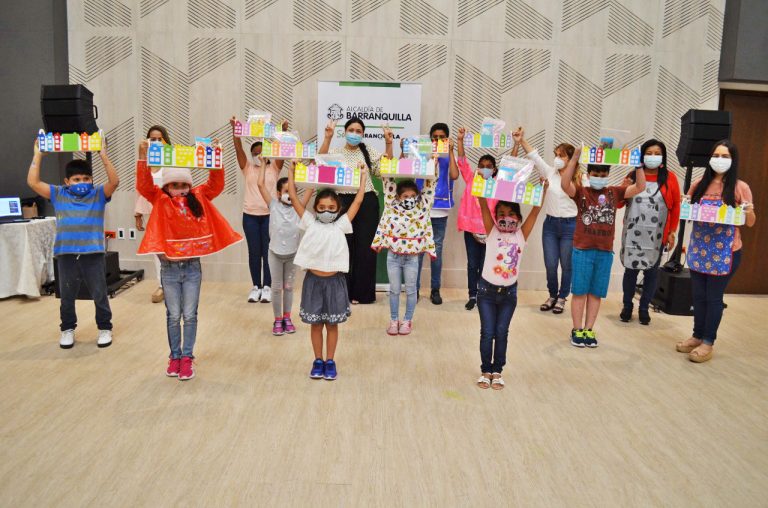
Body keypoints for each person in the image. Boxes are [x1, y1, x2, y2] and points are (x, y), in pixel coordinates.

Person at [136, 140, 242, 380]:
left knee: (190, 315)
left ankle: (187, 357)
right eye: (175, 185)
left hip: (193, 267)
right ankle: (174, 356)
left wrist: (215, 156)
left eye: (185, 184)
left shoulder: (199, 195)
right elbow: (143, 184)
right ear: (167, 186)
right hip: (169, 269)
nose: (181, 189)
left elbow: (217, 183)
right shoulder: (159, 199)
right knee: (173, 315)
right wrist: (142, 156)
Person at [27, 139, 119, 349]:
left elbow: (114, 182)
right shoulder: (59, 193)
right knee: (67, 294)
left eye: (86, 178)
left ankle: (105, 327)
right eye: (77, 179)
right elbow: (33, 183)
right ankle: (67, 329)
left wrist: (103, 155)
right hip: (66, 254)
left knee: (99, 292)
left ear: (92, 180)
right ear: (67, 181)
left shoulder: (97, 194)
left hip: (93, 253)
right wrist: (38, 155)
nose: (82, 182)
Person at [675, 140, 755, 363]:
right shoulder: (699, 184)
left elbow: (750, 222)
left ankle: (708, 341)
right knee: (698, 296)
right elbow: (688, 214)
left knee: (713, 298)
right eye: (716, 155)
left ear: (733, 160)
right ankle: (697, 335)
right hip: (700, 250)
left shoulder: (740, 187)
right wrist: (684, 205)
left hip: (726, 253)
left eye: (725, 156)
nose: (719, 160)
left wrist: (747, 211)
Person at [286, 163, 367, 380]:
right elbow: (294, 199)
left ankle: (330, 361)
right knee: (315, 325)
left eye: (331, 208)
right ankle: (317, 360)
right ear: (315, 208)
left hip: (335, 282)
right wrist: (291, 173)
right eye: (321, 207)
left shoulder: (340, 225)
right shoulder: (310, 223)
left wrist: (362, 176)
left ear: (338, 209)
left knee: (332, 325)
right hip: (313, 282)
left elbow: (358, 201)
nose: (326, 211)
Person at [561, 149, 645, 348]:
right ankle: (577, 329)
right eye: (595, 175)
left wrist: (639, 164)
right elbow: (565, 184)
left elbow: (640, 186)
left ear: (608, 175)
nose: (599, 178)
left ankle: (589, 329)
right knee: (580, 292)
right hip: (582, 249)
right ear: (589, 175)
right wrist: (574, 159)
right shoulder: (582, 191)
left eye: (603, 175)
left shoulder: (614, 192)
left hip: (605, 252)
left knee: (596, 293)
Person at [475, 187, 546, 390]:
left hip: (509, 295)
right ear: (496, 218)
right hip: (487, 293)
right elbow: (482, 205)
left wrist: (543, 190)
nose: (507, 218)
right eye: (502, 215)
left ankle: (497, 371)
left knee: (502, 332)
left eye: (512, 214)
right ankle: (485, 370)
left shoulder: (521, 236)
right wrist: (481, 185)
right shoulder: (492, 232)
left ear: (519, 217)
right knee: (487, 332)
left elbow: (536, 210)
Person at [319, 117, 393, 304]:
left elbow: (385, 168)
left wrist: (389, 143)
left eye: (358, 131)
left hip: (367, 201)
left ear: (363, 134)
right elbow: (320, 164)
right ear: (344, 132)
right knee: (343, 248)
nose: (354, 133)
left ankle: (363, 294)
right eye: (351, 130)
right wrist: (327, 138)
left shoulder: (368, 151)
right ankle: (342, 293)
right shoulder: (335, 152)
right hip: (342, 202)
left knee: (365, 250)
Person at [514, 128, 583, 315]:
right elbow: (534, 156)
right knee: (551, 264)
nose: (557, 159)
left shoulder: (580, 179)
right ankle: (552, 295)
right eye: (556, 155)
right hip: (551, 225)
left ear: (571, 159)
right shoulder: (550, 172)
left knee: (566, 265)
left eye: (561, 156)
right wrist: (521, 140)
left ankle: (562, 297)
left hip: (570, 225)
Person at [619, 139, 681, 325]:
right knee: (630, 271)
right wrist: (623, 187)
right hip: (632, 233)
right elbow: (620, 203)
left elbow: (675, 206)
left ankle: (644, 307)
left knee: (652, 273)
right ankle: (627, 305)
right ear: (642, 156)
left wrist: (672, 232)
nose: (652, 157)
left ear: (662, 157)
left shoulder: (670, 178)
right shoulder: (633, 174)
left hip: (656, 235)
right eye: (649, 153)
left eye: (657, 153)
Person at [231, 117, 287, 304]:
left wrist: (282, 132)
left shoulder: (274, 167)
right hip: (250, 217)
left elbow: (281, 149)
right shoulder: (247, 167)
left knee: (268, 252)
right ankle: (256, 286)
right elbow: (238, 149)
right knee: (254, 252)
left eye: (262, 153)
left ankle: (268, 287)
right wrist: (235, 131)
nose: (259, 156)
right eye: (255, 153)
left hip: (270, 216)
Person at [371, 176, 436, 335]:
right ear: (398, 197)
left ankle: (407, 320)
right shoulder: (391, 206)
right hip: (393, 257)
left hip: (412, 258)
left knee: (411, 290)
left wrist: (433, 167)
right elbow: (387, 185)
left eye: (413, 196)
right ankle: (394, 320)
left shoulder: (422, 207)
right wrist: (387, 165)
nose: (409, 199)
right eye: (405, 197)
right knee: (394, 290)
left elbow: (429, 188)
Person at [256, 159, 313, 336]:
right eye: (287, 191)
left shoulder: (299, 208)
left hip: (292, 255)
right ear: (279, 194)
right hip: (274, 254)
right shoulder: (273, 205)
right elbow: (260, 183)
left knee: (288, 287)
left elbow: (311, 188)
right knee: (276, 287)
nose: (290, 194)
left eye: (293, 191)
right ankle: (278, 319)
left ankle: (287, 317)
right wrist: (263, 164)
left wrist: (311, 166)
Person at [416, 122, 459, 305]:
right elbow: (412, 171)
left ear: (447, 139)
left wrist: (449, 151)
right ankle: (414, 289)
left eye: (442, 137)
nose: (438, 140)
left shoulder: (449, 156)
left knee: (436, 252)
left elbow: (455, 175)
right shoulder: (422, 154)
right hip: (421, 208)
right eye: (435, 137)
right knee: (417, 252)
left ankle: (435, 289)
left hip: (440, 210)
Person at [134, 125, 169, 303]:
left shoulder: (171, 159)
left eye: (159, 139)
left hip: (169, 213)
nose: (155, 142)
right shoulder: (144, 162)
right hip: (150, 212)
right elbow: (140, 187)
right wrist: (137, 212)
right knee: (156, 249)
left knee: (169, 248)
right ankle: (161, 284)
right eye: (152, 139)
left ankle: (172, 282)